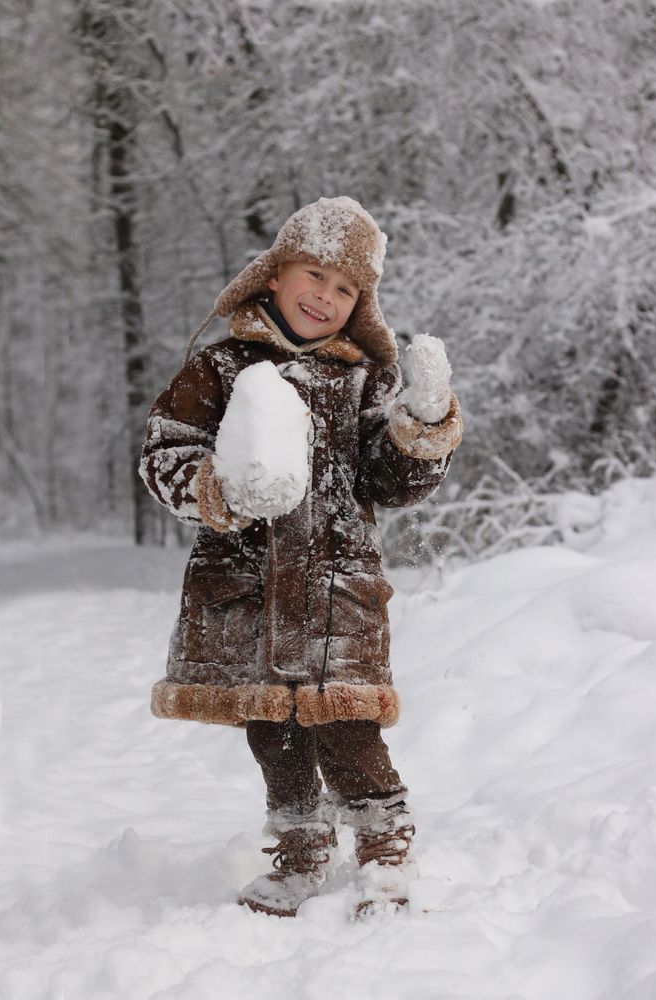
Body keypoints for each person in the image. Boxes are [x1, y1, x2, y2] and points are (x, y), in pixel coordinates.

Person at [139, 196, 462, 917]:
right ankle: (301, 851)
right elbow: (163, 454)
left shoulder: (364, 380)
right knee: (273, 728)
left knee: (348, 725)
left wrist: (423, 420)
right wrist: (217, 488)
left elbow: (391, 481)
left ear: (361, 304)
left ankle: (385, 851)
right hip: (244, 587)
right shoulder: (219, 369)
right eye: (313, 274)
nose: (325, 295)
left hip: (336, 587)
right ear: (275, 272)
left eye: (346, 288)